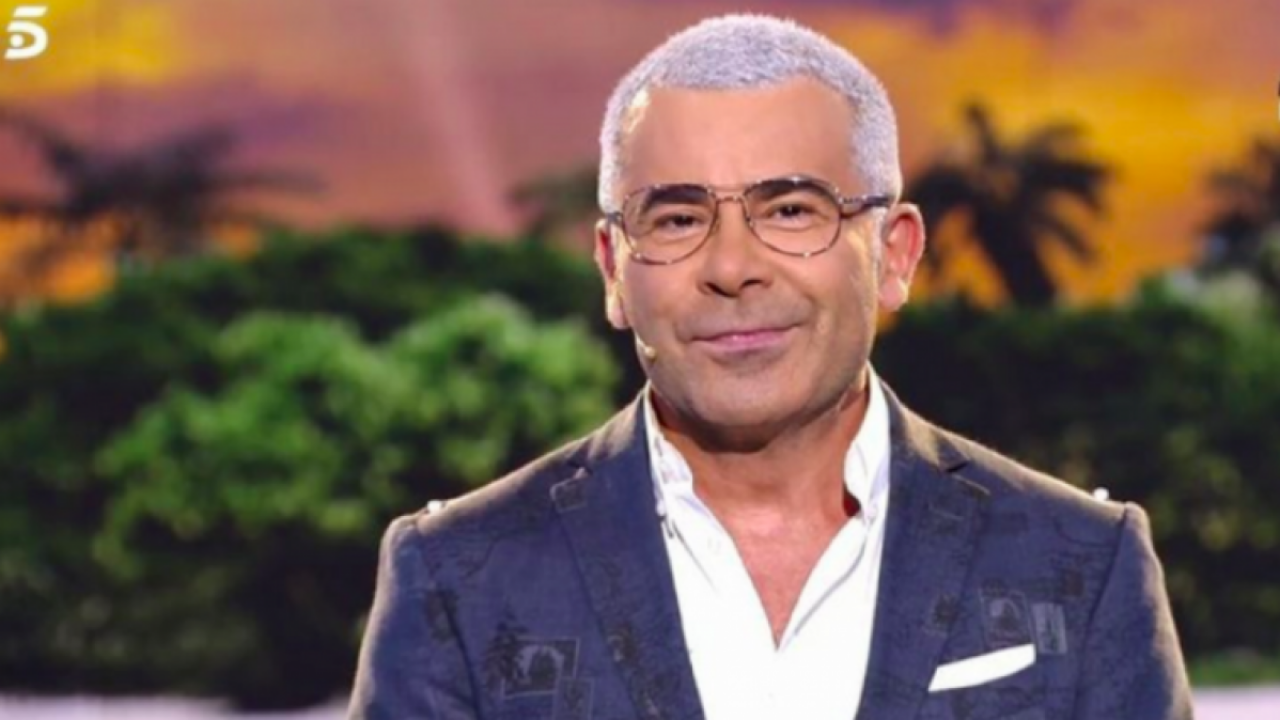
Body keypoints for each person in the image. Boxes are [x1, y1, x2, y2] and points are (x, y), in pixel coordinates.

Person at [349, 13, 1192, 720]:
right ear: (612, 270)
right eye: (677, 219)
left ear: (895, 254)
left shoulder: (1084, 562)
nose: (732, 267)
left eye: (791, 210)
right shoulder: (458, 578)